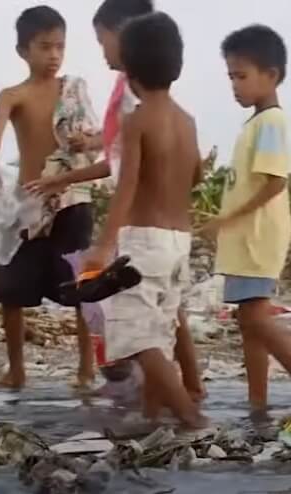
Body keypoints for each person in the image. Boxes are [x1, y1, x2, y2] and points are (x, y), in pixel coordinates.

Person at [84, 11, 207, 428]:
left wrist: (102, 247)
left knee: (137, 338)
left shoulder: (137, 121)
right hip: (179, 243)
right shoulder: (188, 122)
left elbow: (127, 188)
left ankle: (192, 421)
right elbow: (195, 175)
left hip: (144, 243)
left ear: (130, 69)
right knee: (163, 333)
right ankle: (154, 420)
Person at [0, 6, 105, 390]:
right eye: (44, 47)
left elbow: (104, 138)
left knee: (80, 284)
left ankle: (86, 369)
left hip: (71, 197)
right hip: (29, 204)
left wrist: (90, 141)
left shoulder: (72, 89)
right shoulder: (12, 95)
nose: (54, 56)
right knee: (11, 290)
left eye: (60, 47)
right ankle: (16, 370)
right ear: (23, 50)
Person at [203, 25, 291, 412]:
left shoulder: (272, 123)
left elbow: (274, 183)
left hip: (257, 238)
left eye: (241, 76)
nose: (234, 86)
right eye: (231, 77)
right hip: (245, 240)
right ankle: (258, 404)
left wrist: (225, 221)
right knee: (247, 322)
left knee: (256, 319)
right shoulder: (255, 123)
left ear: (271, 75)